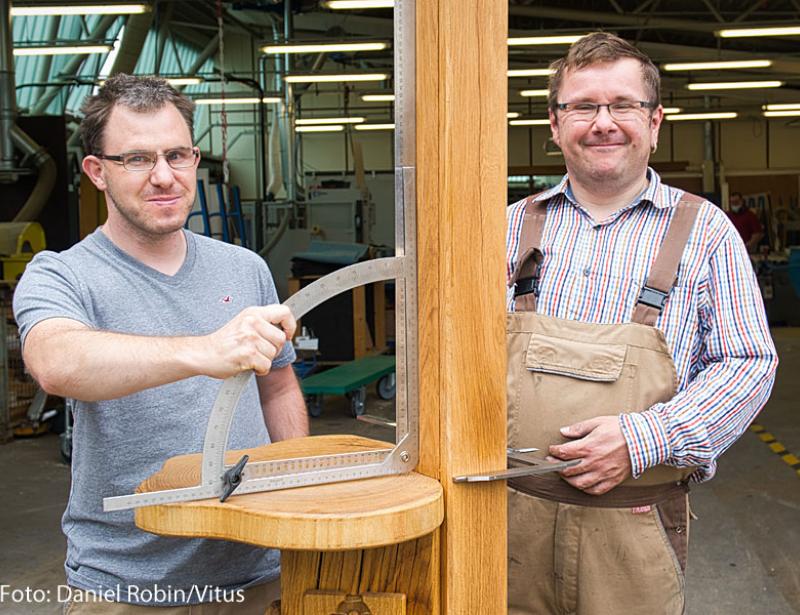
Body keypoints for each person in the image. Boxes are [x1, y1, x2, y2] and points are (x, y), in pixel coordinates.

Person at [13, 74, 308, 613]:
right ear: (97, 171)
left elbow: (279, 387)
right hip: (128, 586)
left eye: (176, 155)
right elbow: (56, 361)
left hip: (260, 572)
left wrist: (296, 493)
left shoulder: (245, 268)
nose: (164, 176)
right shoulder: (61, 275)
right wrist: (205, 350)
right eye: (137, 159)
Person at [505, 33, 777, 614]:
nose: (603, 123)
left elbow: (748, 363)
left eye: (623, 105)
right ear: (555, 124)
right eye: (583, 106)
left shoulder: (706, 232)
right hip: (506, 524)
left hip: (632, 527)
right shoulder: (506, 229)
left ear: (654, 122)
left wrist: (644, 439)